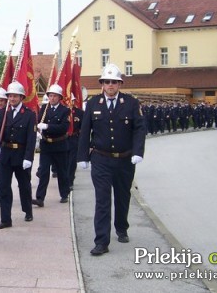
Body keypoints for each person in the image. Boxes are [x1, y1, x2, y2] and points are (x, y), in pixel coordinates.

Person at [77, 63, 146, 256]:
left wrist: (138, 151)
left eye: (114, 82)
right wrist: (82, 156)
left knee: (123, 197)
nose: (110, 85)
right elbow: (84, 132)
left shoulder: (132, 103)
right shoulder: (92, 104)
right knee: (102, 200)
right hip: (101, 159)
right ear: (102, 84)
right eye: (107, 82)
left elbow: (140, 128)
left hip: (124, 160)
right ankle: (101, 241)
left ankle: (121, 227)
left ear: (120, 84)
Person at [0, 81, 36, 229]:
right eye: (10, 96)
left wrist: (28, 158)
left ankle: (27, 210)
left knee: (24, 186)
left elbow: (31, 138)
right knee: (3, 186)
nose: (12, 99)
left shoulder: (29, 115)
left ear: (21, 97)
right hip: (5, 154)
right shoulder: (2, 113)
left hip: (21, 154)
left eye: (15, 96)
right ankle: (6, 219)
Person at [33, 84, 70, 207]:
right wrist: (39, 130)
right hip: (46, 145)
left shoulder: (65, 110)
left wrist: (48, 126)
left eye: (55, 96)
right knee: (43, 171)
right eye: (50, 95)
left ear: (60, 97)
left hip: (59, 144)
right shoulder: (44, 108)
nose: (52, 98)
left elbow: (64, 127)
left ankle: (64, 194)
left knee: (61, 171)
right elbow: (39, 122)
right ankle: (40, 198)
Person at [66, 93, 84, 191]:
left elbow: (83, 128)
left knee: (72, 161)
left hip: (74, 138)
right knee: (65, 161)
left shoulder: (79, 113)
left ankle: (70, 181)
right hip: (64, 139)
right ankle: (65, 180)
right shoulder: (63, 111)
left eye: (71, 100)